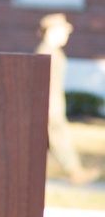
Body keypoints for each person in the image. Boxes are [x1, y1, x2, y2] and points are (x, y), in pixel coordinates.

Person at [36, 12, 98, 185]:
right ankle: (75, 172)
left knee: (43, 143)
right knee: (58, 136)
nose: (66, 35)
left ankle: (39, 173)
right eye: (63, 31)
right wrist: (47, 105)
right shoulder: (46, 53)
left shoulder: (53, 52)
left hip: (53, 102)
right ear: (50, 31)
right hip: (50, 104)